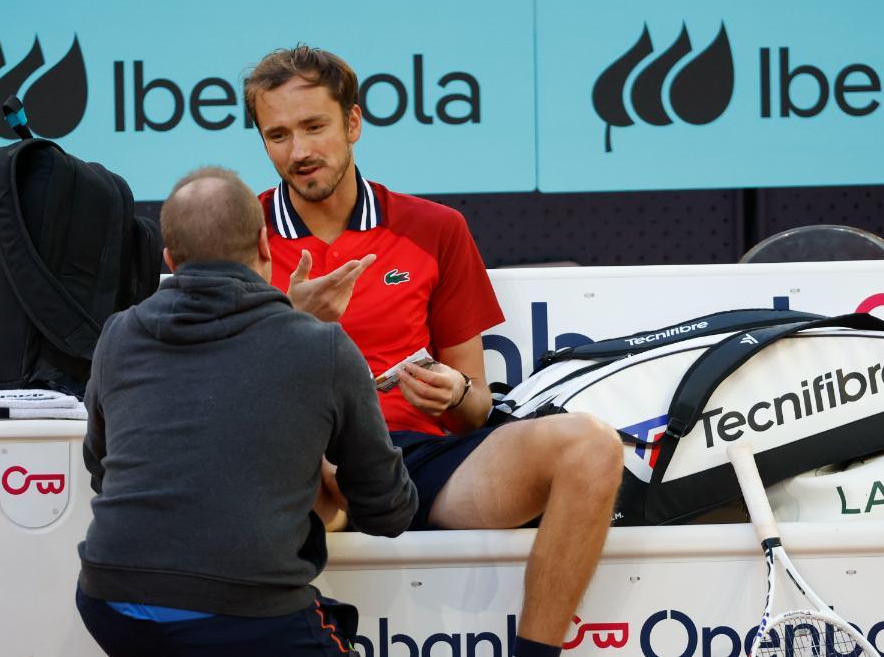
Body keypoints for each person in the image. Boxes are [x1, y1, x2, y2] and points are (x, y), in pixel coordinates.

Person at [244, 46, 623, 657]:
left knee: (592, 446)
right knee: (288, 452)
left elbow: (474, 411)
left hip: (412, 463)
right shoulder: (244, 236)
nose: (299, 151)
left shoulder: (434, 228)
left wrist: (456, 392)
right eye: (278, 135)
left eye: (314, 126)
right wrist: (294, 329)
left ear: (353, 122)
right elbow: (223, 395)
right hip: (296, 464)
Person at [75, 166, 417, 657]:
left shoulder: (118, 334)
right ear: (263, 243)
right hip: (246, 610)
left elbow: (103, 473)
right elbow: (388, 510)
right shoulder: (322, 347)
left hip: (110, 599)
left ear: (169, 259)